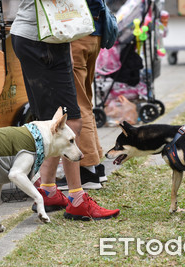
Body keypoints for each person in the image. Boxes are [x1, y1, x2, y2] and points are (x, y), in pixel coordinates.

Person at [10, 0, 119, 220]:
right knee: (72, 122)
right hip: (43, 39)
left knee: (54, 121)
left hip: (41, 37)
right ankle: (77, 199)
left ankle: (48, 190)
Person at [56, 0, 107, 191]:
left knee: (76, 105)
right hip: (94, 32)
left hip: (77, 35)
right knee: (85, 101)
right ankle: (95, 165)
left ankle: (86, 170)